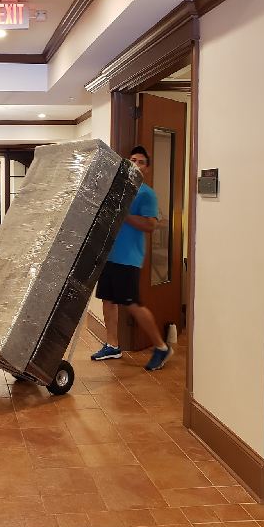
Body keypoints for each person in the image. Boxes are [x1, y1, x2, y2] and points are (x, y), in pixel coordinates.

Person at [90, 146, 173, 371]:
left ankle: (161, 347)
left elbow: (150, 225)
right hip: (109, 255)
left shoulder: (146, 194)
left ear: (147, 168)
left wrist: (124, 214)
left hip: (128, 258)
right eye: (133, 160)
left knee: (132, 304)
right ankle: (112, 345)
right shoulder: (118, 190)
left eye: (141, 161)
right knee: (108, 300)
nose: (136, 164)